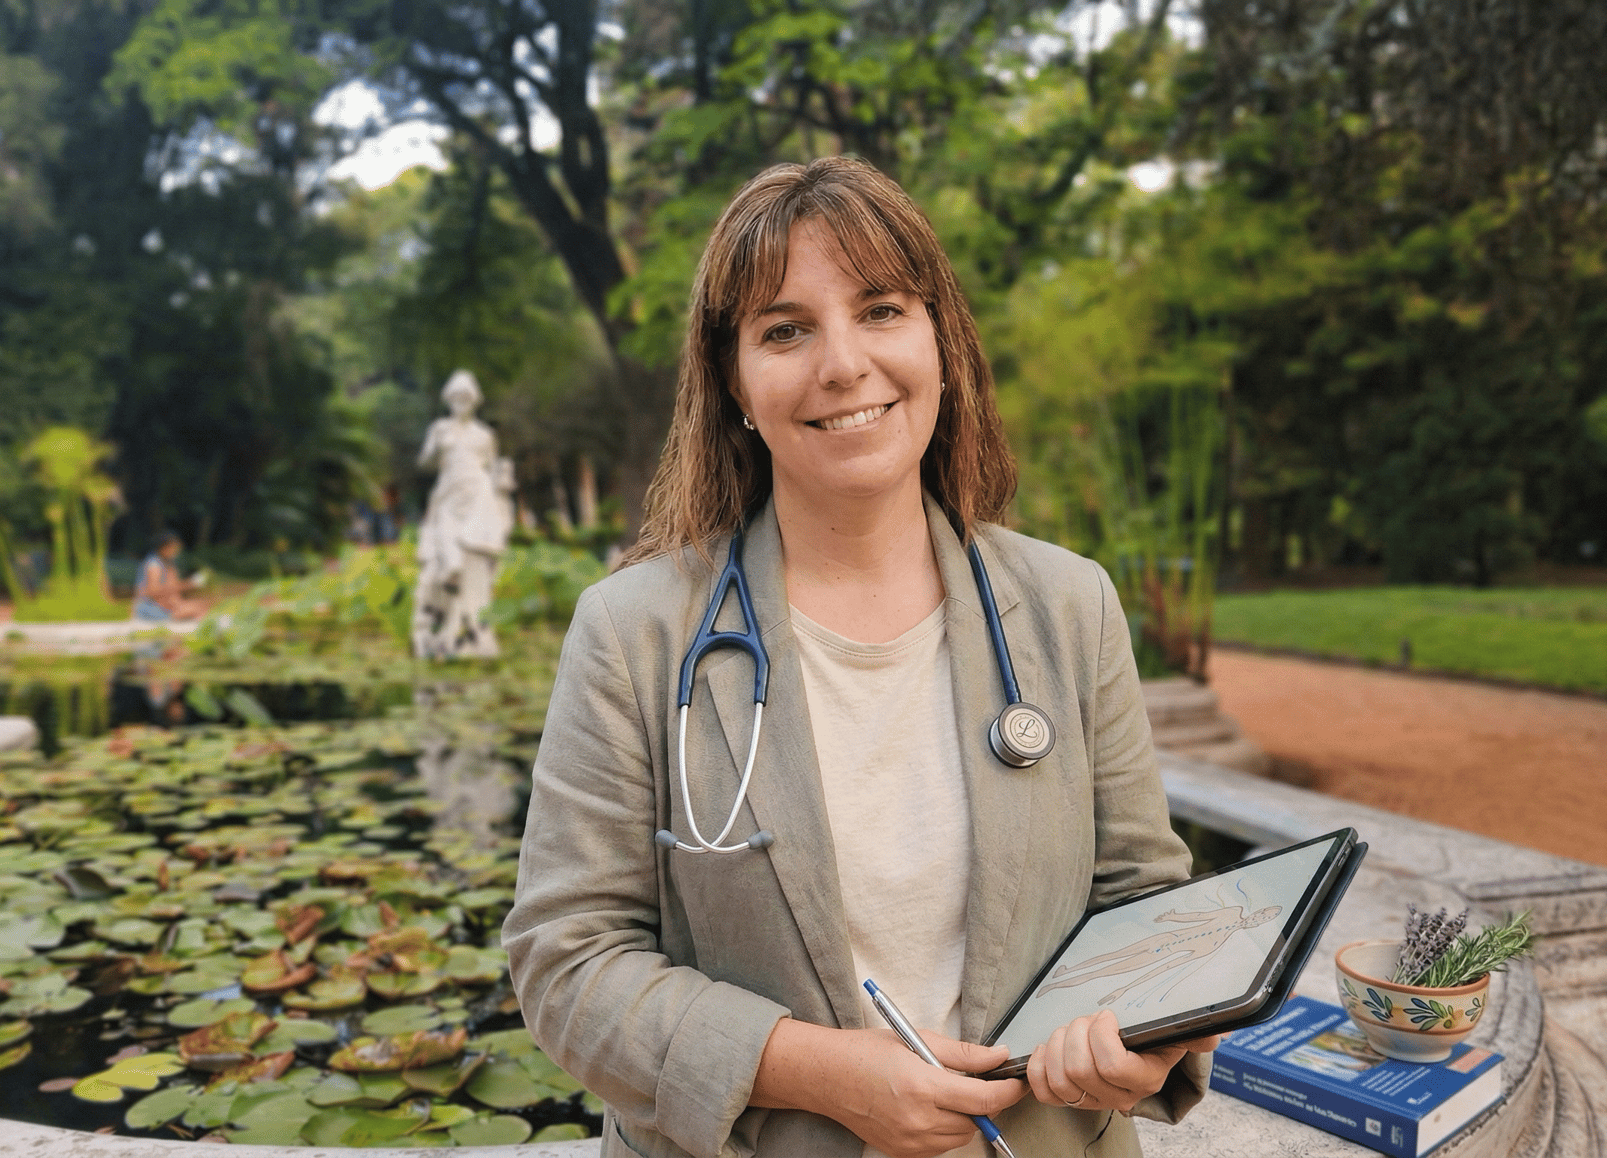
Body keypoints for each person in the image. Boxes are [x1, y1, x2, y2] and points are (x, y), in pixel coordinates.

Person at [502, 157, 1216, 1158]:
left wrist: (1143, 1032)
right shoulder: (634, 634)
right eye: (785, 330)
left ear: (940, 341)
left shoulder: (1070, 606)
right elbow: (566, 963)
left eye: (881, 310)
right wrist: (814, 1069)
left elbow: (1143, 898)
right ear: (735, 381)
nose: (842, 364)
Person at [412, 370, 511, 659]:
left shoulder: (484, 435)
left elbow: (493, 469)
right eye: (456, 397)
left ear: (474, 400)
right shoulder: (440, 429)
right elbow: (426, 463)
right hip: (447, 497)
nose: (461, 402)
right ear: (449, 400)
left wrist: (501, 492)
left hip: (477, 499)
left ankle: (469, 636)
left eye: (466, 397)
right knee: (443, 552)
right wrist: (435, 448)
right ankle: (440, 616)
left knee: (474, 562)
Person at [132, 531, 193, 622]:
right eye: (174, 548)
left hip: (163, 605)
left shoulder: (168, 564)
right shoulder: (154, 564)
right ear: (164, 548)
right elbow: (154, 591)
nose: (177, 551)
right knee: (194, 610)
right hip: (149, 607)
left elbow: (173, 588)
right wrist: (186, 585)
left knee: (200, 606)